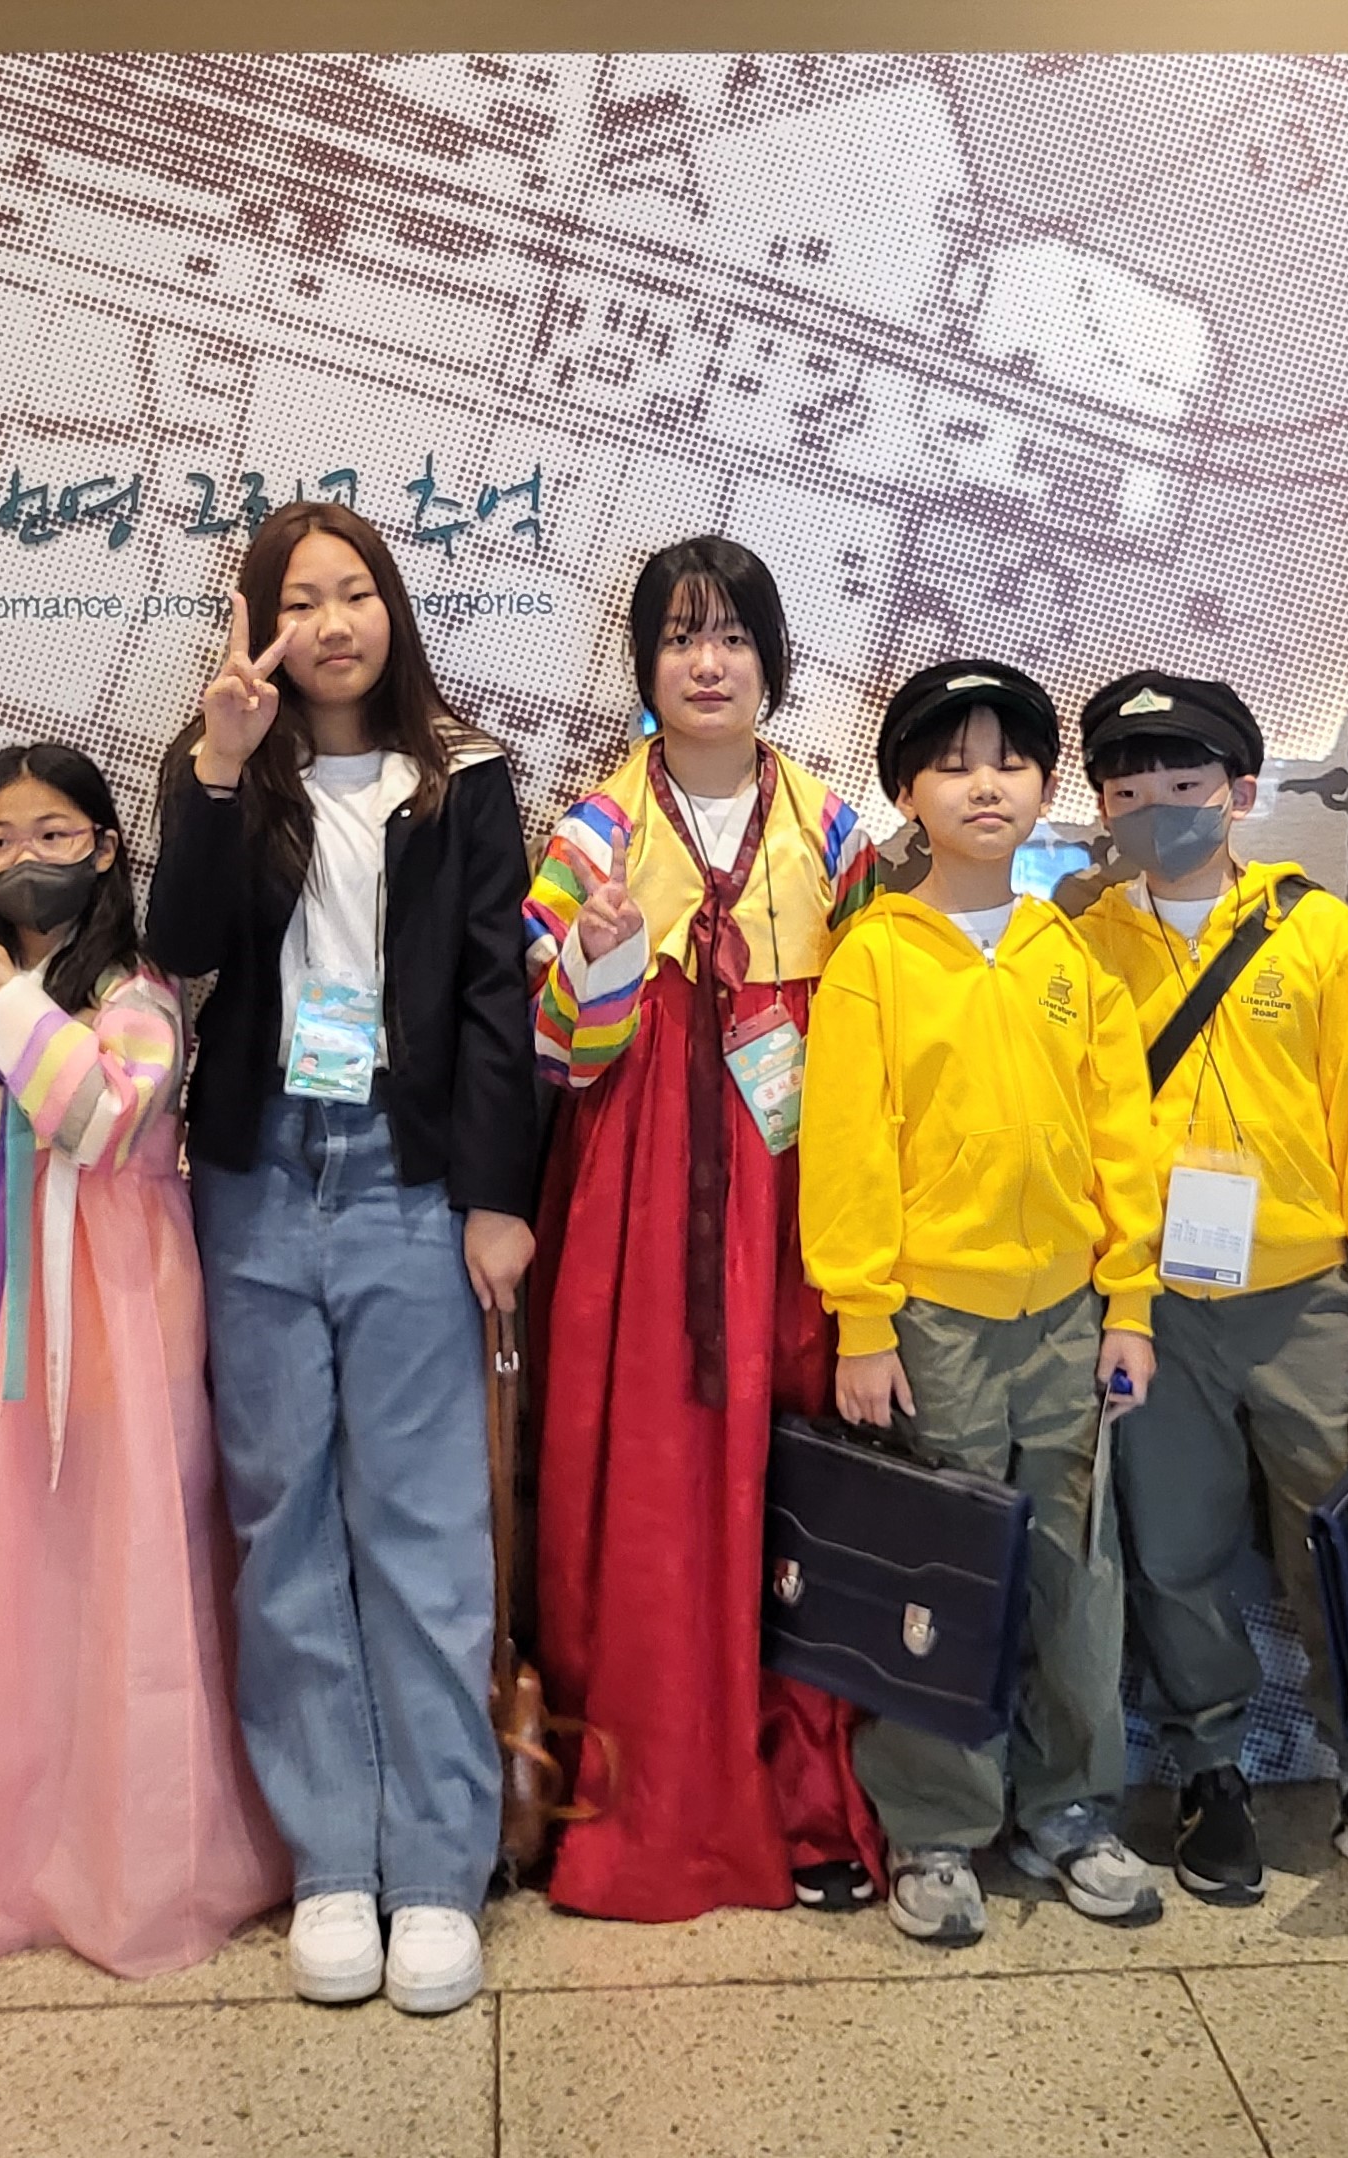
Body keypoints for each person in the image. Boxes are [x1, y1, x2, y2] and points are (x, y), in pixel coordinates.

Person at [149, 501, 540, 2016]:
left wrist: (495, 1196)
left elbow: (498, 990)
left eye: (354, 592)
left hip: (407, 1174)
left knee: (424, 1527)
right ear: (259, 625)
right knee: (283, 1519)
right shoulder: (225, 768)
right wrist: (218, 764)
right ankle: (330, 1858)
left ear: (392, 609)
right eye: (299, 599)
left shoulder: (468, 777)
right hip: (256, 1174)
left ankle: (434, 1868)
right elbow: (183, 946)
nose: (331, 622)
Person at [0, 741, 286, 1984]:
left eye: (53, 834)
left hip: (114, 1282)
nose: (25, 861)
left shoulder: (138, 984)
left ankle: (138, 1850)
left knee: (126, 1543)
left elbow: (105, 1119)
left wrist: (11, 1003)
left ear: (107, 847)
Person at [521, 537, 890, 1920]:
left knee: (804, 1474)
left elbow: (878, 1031)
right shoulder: (590, 834)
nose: (708, 662)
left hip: (796, 1188)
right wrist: (603, 956)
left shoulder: (836, 834)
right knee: (654, 1481)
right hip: (637, 1196)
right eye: (679, 636)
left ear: (772, 661)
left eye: (733, 634)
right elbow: (557, 1056)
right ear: (642, 665)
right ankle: (650, 1795)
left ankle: (806, 1796)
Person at [799, 659, 1165, 1946]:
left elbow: (1122, 1139)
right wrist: (862, 1319)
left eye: (1007, 759)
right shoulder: (873, 959)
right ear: (905, 793)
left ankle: (1070, 1807)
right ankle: (937, 1823)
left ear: (1044, 784)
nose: (983, 784)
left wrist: (1129, 1304)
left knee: (1076, 1569)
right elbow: (848, 1148)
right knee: (940, 1569)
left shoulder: (1073, 953)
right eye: (950, 764)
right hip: (934, 1322)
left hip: (1067, 1313)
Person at [1064, 670, 1348, 1907]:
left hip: (1304, 1296)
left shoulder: (1315, 932)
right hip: (1151, 1305)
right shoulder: (1078, 947)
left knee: (1336, 1538)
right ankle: (1208, 1768)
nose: (1157, 808)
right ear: (1100, 807)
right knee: (1174, 1549)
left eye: (1183, 783)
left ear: (1237, 791)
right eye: (1128, 790)